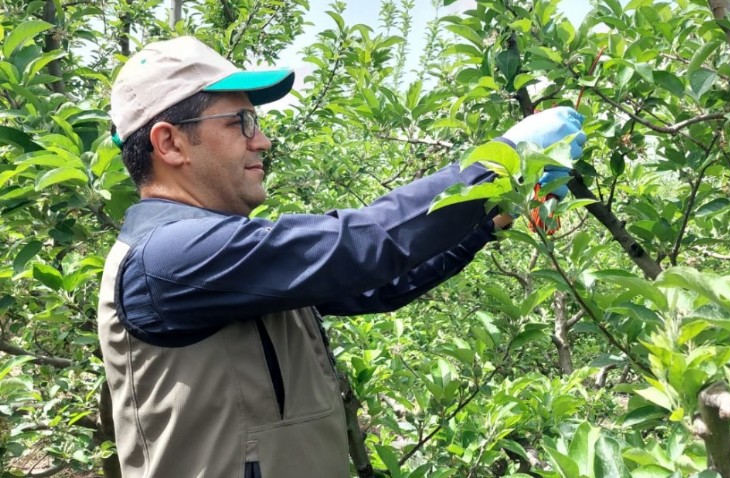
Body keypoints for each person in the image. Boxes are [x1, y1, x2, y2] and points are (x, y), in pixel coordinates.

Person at [98, 36, 585, 478]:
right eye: (241, 122)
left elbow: (375, 283)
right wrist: (499, 158)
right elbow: (358, 244)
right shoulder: (167, 256)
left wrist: (490, 217)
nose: (261, 140)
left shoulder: (224, 259)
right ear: (170, 143)